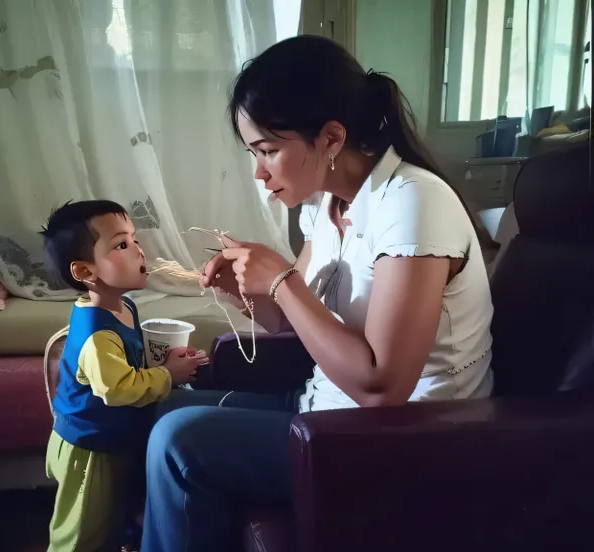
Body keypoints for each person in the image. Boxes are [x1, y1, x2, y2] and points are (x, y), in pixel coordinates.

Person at [140, 35, 494, 552]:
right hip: (323, 411)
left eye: (269, 150)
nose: (259, 172)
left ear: (331, 137)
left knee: (179, 441)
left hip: (405, 439)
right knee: (159, 408)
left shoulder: (413, 203)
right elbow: (289, 322)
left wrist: (282, 280)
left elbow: (382, 387)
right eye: (253, 153)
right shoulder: (326, 208)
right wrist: (249, 288)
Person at [41, 200, 208, 552]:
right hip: (90, 450)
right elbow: (117, 388)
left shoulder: (125, 306)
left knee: (116, 518)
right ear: (86, 272)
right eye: (121, 245)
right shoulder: (96, 335)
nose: (137, 249)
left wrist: (163, 362)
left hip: (113, 439)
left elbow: (129, 365)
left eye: (134, 239)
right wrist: (167, 374)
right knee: (82, 533)